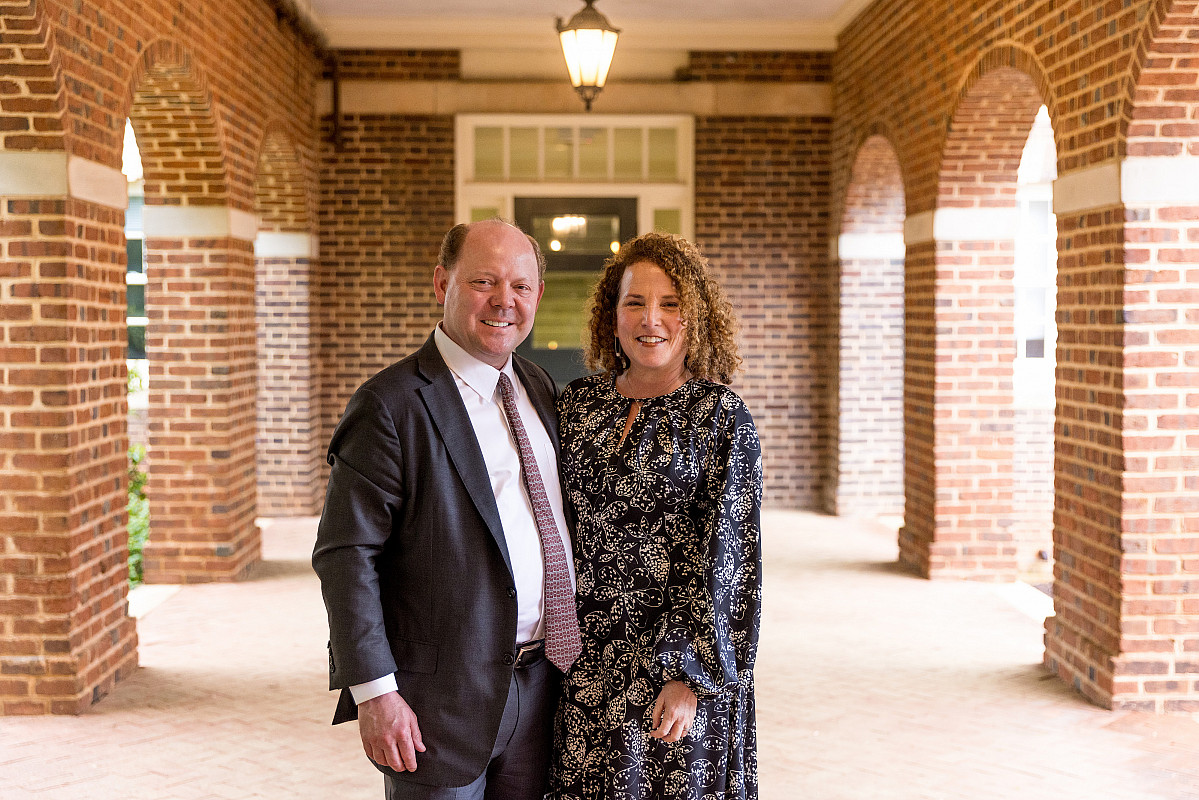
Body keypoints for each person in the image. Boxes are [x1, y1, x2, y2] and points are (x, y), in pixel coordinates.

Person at [312, 218, 583, 800]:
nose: (504, 301)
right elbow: (345, 555)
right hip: (436, 704)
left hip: (544, 690)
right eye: (484, 281)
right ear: (442, 283)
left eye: (521, 285)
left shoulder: (537, 388)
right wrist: (375, 693)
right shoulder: (390, 405)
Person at [548, 232, 763, 800]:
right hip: (584, 666)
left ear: (696, 317)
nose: (653, 320)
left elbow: (731, 565)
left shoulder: (721, 419)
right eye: (635, 303)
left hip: (671, 673)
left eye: (671, 304)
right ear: (609, 316)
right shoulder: (575, 405)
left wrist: (691, 676)